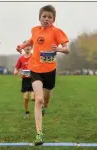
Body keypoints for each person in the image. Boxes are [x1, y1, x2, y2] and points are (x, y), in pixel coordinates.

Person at [16, 5, 70, 146]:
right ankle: (39, 133)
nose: (46, 19)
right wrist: (21, 47)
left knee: (45, 99)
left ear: (53, 19)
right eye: (44, 16)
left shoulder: (57, 32)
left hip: (50, 71)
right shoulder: (35, 30)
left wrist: (58, 49)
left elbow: (67, 49)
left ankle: (45, 105)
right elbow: (31, 41)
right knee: (38, 100)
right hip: (35, 70)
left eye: (49, 17)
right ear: (39, 17)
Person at [14, 41, 35, 119]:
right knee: (26, 97)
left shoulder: (34, 57)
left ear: (31, 47)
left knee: (33, 98)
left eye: (29, 46)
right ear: (23, 48)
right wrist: (15, 71)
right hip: (25, 80)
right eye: (26, 46)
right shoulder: (21, 59)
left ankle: (41, 106)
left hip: (34, 79)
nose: (27, 47)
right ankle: (27, 112)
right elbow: (16, 67)